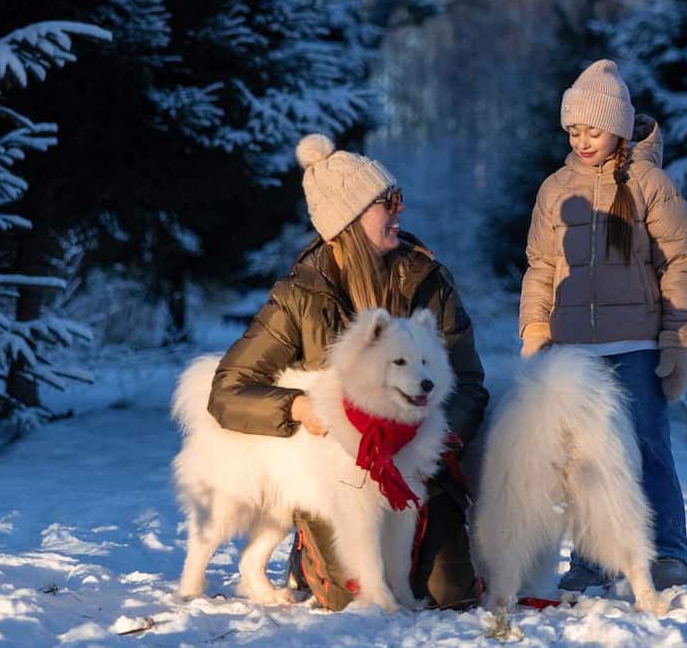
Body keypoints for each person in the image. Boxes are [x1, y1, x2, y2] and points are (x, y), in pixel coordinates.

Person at [208, 133, 488, 609]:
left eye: (396, 198)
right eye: (387, 203)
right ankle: (308, 546)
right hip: (335, 472)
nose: (400, 210)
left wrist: (436, 436)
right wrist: (297, 406)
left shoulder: (427, 282)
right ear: (349, 219)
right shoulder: (300, 296)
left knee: (448, 593)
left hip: (414, 464)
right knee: (349, 594)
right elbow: (227, 392)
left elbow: (467, 383)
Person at [520, 59, 687, 592]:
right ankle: (593, 559)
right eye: (574, 131)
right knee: (583, 459)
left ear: (619, 128)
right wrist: (535, 331)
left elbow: (683, 262)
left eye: (593, 130)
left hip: (637, 346)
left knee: (647, 449)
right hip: (574, 351)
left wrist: (678, 339)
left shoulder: (650, 183)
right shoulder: (555, 188)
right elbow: (541, 265)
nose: (582, 140)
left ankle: (668, 551)